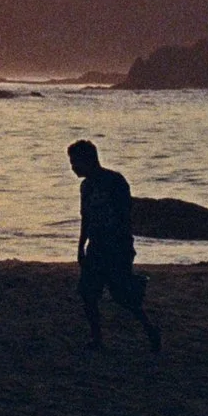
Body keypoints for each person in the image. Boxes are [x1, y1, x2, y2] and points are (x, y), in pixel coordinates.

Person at [68, 139, 160, 350]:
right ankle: (97, 339)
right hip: (96, 246)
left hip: (117, 247)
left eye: (75, 162)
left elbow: (124, 216)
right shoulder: (86, 187)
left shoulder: (115, 181)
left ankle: (149, 328)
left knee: (122, 296)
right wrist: (81, 246)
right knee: (88, 293)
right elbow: (86, 217)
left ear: (88, 160)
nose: (73, 167)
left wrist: (120, 247)